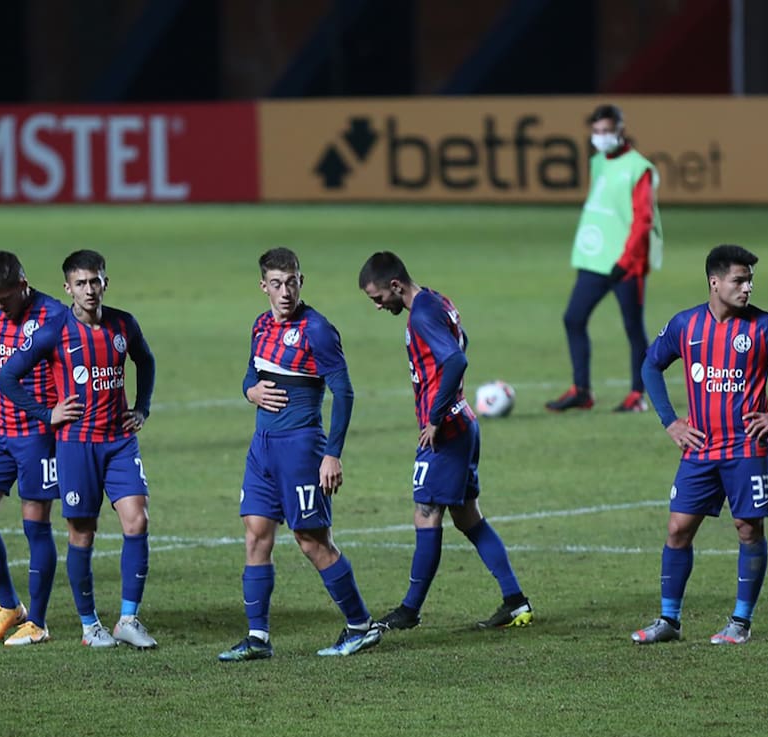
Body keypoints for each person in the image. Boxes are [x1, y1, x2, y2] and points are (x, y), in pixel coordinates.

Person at [631, 244, 768, 646]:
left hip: (746, 448)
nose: (747, 287)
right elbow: (650, 363)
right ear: (715, 282)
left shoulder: (764, 328)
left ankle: (740, 622)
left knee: (748, 528)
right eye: (739, 279)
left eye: (750, 280)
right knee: (678, 528)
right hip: (699, 448)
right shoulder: (685, 325)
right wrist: (670, 421)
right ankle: (669, 620)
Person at [218, 247, 382, 662]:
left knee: (311, 541)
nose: (285, 291)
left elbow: (343, 392)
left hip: (302, 448)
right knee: (255, 535)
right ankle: (258, 638)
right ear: (264, 287)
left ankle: (360, 625)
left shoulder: (318, 330)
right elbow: (251, 373)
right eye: (276, 284)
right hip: (262, 450)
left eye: (291, 282)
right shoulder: (259, 325)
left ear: (301, 282)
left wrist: (332, 455)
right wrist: (249, 390)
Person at [357, 251, 533, 634]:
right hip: (464, 422)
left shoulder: (420, 315)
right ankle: (516, 601)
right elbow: (462, 340)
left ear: (395, 286)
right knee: (469, 518)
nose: (377, 306)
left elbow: (455, 360)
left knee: (426, 513)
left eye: (377, 298)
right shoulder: (436, 299)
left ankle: (409, 609)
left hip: (446, 432)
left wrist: (436, 415)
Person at [0, 249, 158, 649]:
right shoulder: (54, 332)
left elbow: (146, 360)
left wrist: (142, 407)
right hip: (76, 445)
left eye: (95, 281)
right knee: (82, 533)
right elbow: (7, 377)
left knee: (137, 521)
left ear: (106, 282)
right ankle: (89, 627)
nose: (89, 289)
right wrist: (45, 413)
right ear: (68, 288)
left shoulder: (124, 324)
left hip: (120, 442)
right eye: (81, 283)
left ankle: (128, 620)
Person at [0, 251, 68, 646]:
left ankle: (38, 623)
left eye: (5, 299)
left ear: (23, 285)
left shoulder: (54, 316)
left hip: (38, 435)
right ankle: (10, 606)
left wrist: (54, 417)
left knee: (35, 525)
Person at [546, 103, 664, 413]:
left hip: (627, 264)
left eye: (606, 131)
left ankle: (638, 394)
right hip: (596, 260)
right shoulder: (598, 161)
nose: (600, 137)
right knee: (573, 318)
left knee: (632, 327)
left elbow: (643, 220)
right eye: (596, 132)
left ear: (621, 131)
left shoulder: (640, 168)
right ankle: (581, 390)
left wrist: (625, 261)